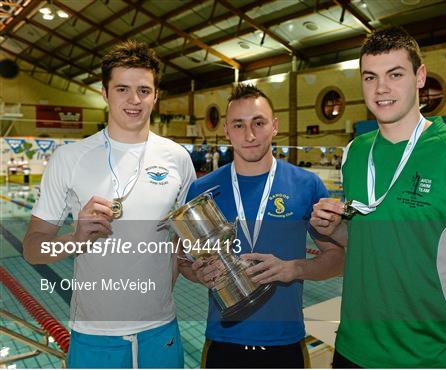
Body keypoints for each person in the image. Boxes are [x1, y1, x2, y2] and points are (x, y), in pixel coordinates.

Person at [310, 26, 446, 368]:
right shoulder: (355, 153)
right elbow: (366, 242)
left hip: (426, 358)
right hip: (351, 351)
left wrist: (439, 323)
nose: (381, 88)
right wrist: (332, 228)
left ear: (420, 76)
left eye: (395, 74)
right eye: (370, 77)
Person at [23, 40, 196, 368]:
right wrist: (74, 240)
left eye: (144, 90)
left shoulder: (177, 159)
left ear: (156, 95)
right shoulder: (69, 159)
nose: (134, 100)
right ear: (104, 93)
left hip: (161, 330)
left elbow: (181, 242)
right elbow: (32, 249)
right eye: (122, 89)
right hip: (94, 335)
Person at [179, 84, 344, 368]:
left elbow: (338, 259)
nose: (250, 135)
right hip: (223, 342)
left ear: (275, 126)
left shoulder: (306, 185)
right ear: (227, 131)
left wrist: (294, 268)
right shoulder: (203, 190)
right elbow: (182, 260)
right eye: (239, 125)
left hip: (285, 343)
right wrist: (199, 274)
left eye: (258, 122)